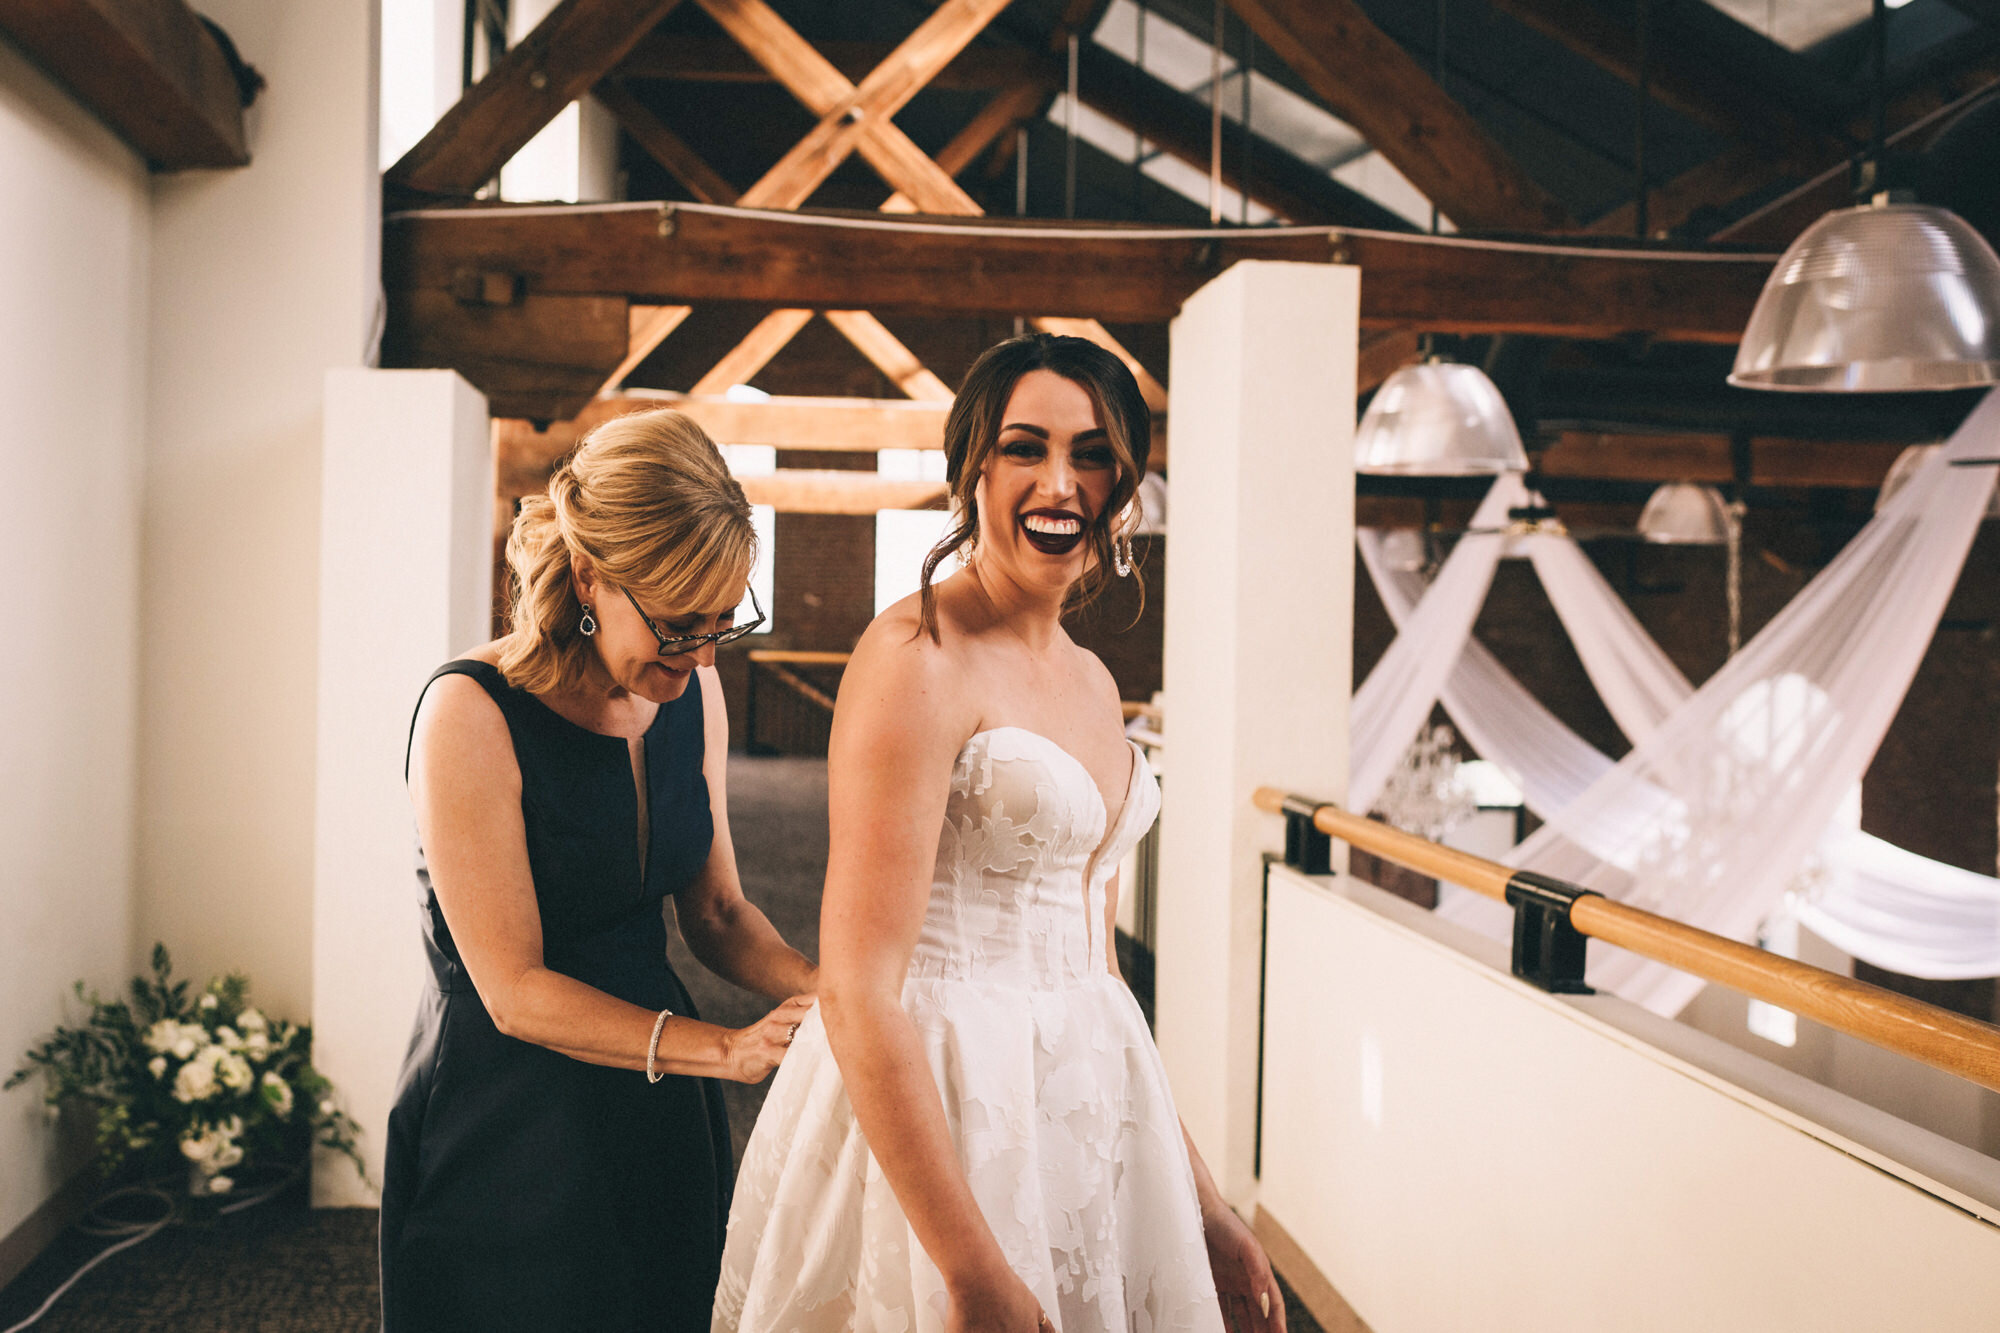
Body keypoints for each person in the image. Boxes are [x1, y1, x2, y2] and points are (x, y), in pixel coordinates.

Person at [715, 335, 1284, 1333]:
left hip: (1080, 1101)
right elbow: (854, 986)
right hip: (940, 1105)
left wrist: (1203, 1207)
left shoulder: (1095, 681)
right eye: (1024, 447)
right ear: (970, 466)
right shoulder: (916, 658)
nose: (1058, 482)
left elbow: (1093, 972)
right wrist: (968, 1264)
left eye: (1091, 454)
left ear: (1123, 487)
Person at [381, 409, 818, 1333]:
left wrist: (834, 993)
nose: (702, 656)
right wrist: (727, 1051)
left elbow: (721, 912)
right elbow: (514, 989)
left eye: (722, 624)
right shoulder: (469, 712)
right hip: (508, 1111)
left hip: (656, 1095)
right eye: (676, 626)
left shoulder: (690, 685)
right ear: (589, 576)